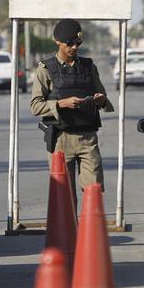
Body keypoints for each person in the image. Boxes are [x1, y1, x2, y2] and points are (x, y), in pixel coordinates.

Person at [30, 19, 113, 194]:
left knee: (94, 191)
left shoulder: (89, 67)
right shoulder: (45, 69)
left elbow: (104, 98)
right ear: (57, 41)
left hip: (87, 138)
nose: (74, 47)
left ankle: (90, 223)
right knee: (63, 195)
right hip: (60, 140)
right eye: (69, 43)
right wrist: (61, 104)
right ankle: (69, 223)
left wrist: (101, 100)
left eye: (77, 43)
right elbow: (35, 106)